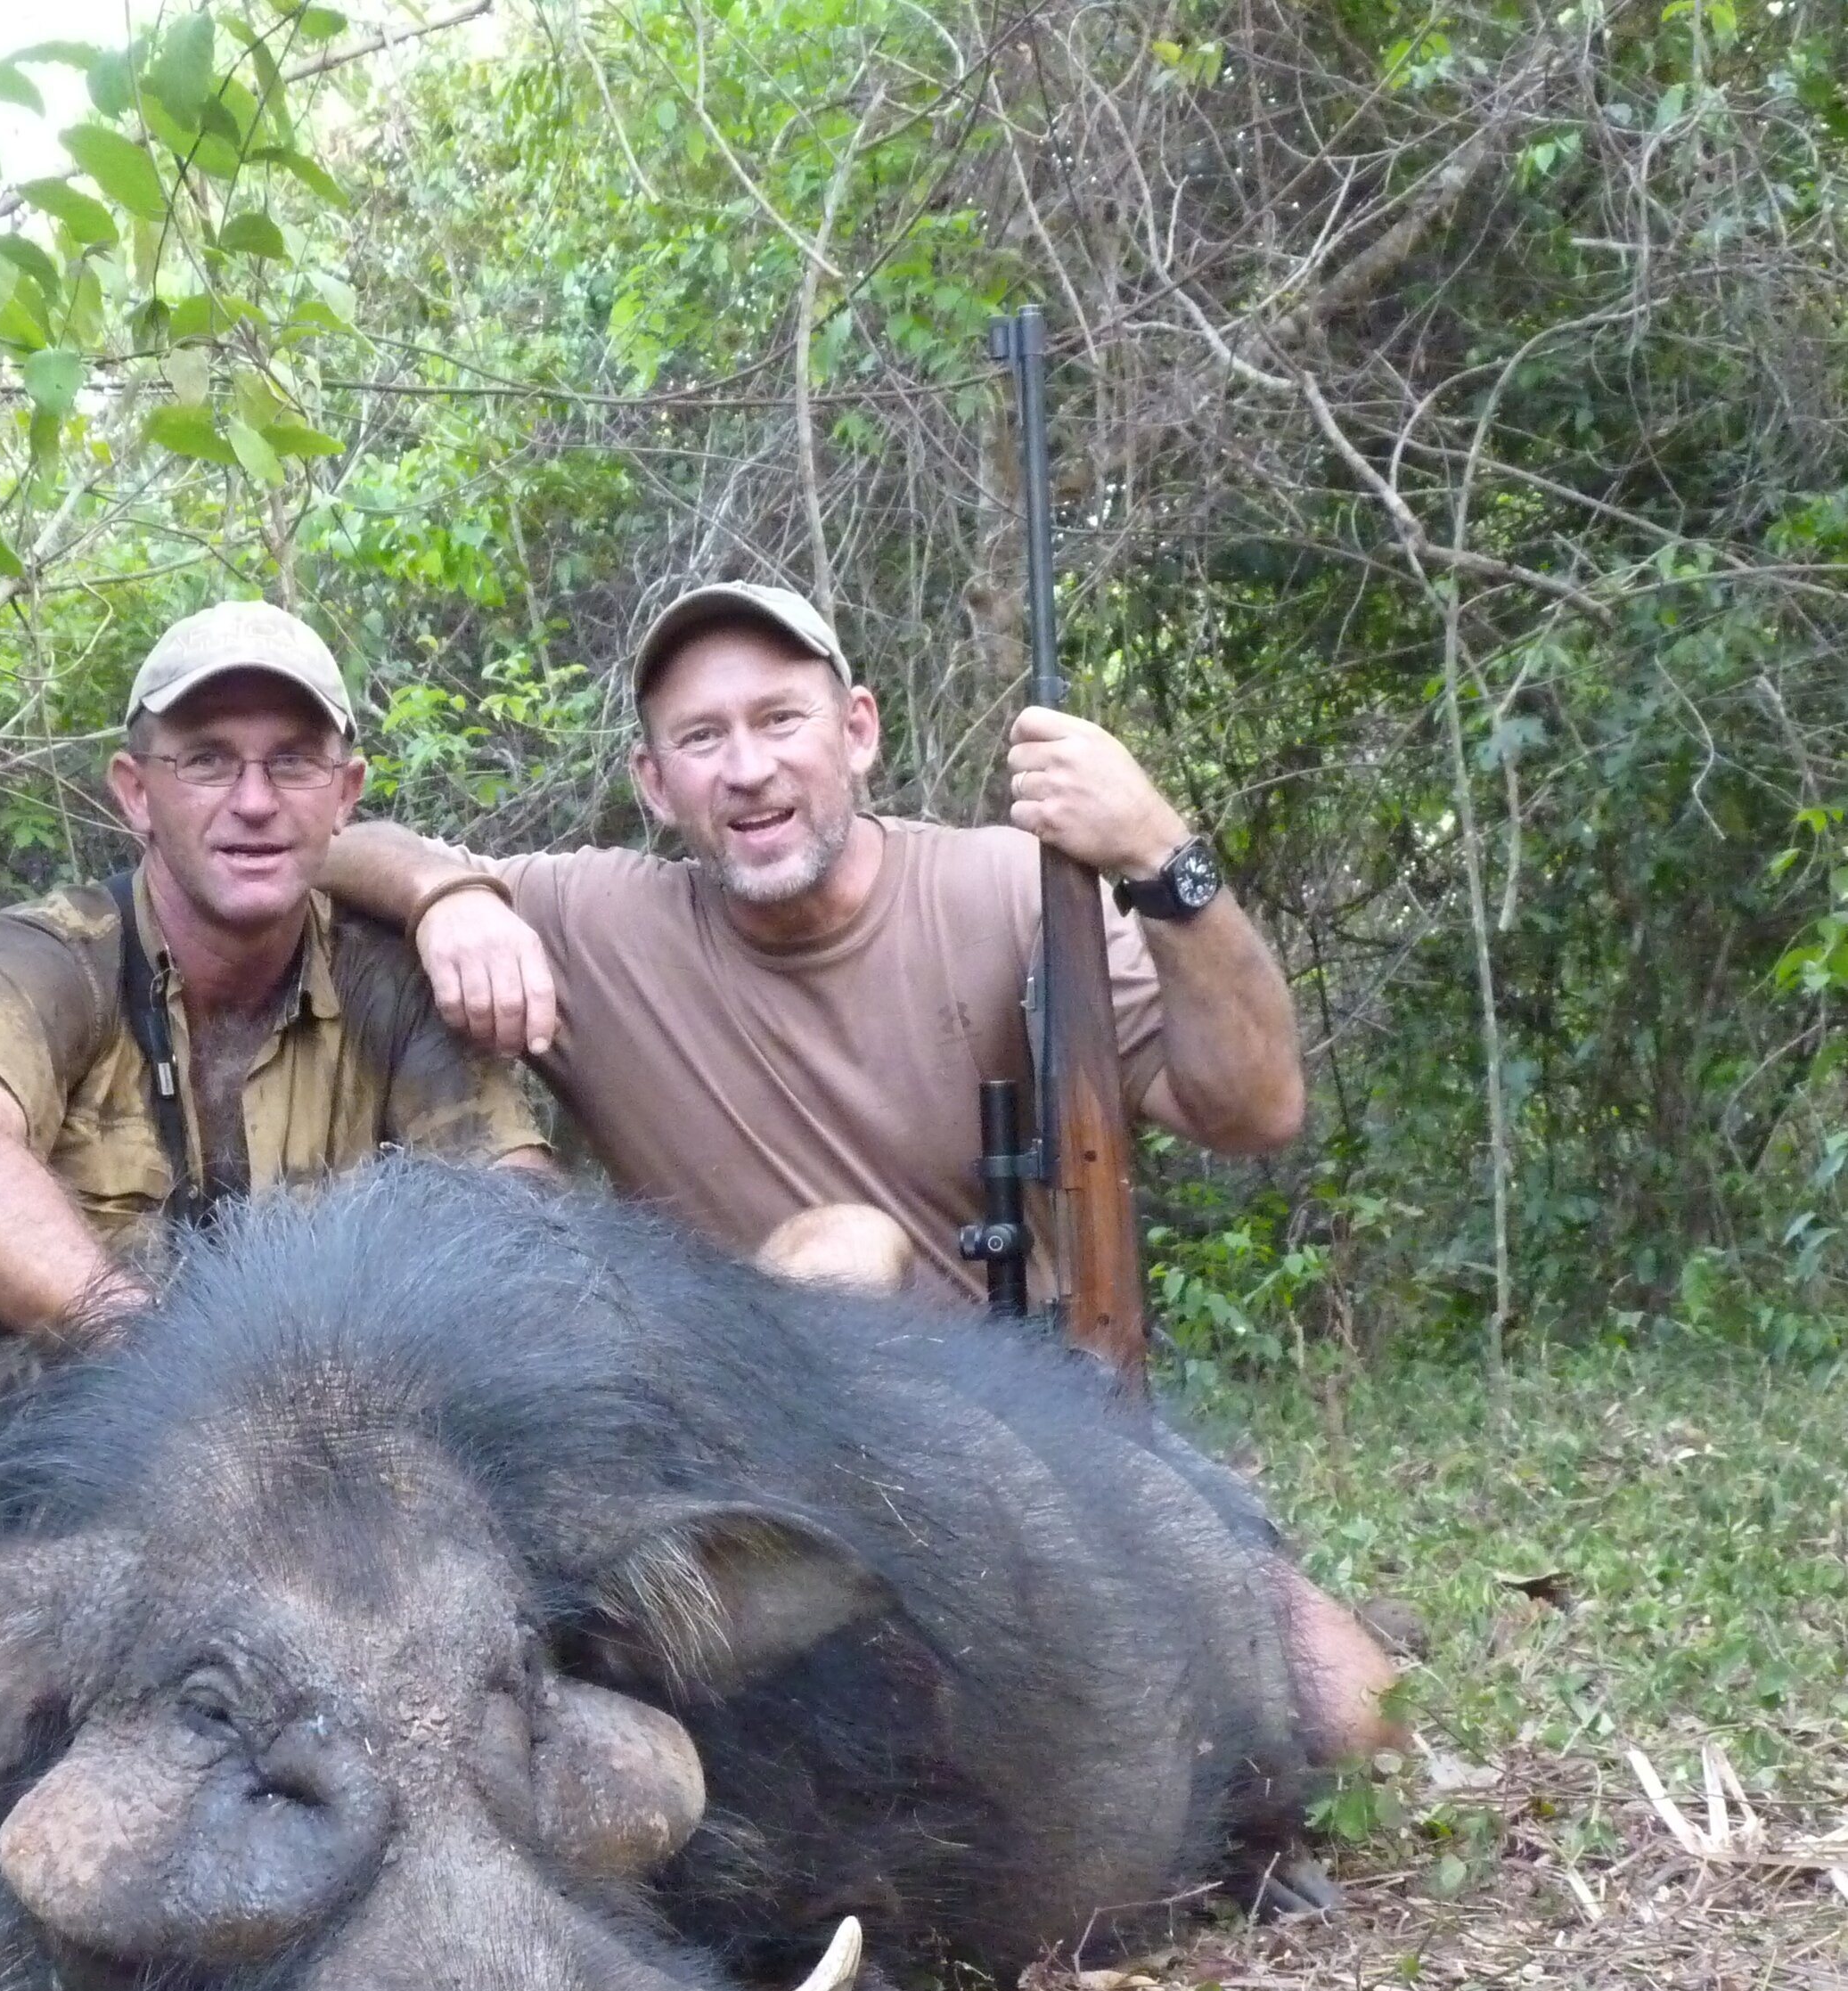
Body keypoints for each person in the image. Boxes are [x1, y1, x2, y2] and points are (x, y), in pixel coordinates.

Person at [322, 580, 1402, 1759]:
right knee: (839, 1253)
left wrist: (1160, 857)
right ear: (654, 784)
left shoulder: (1009, 886)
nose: (746, 769)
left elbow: (1254, 1105)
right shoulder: (593, 914)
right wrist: (448, 897)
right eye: (701, 738)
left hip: (1029, 1427)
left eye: (780, 721)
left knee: (1361, 1722)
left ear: (858, 730)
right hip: (754, 1476)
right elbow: (338, 846)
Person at [0, 600, 548, 1553]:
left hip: (337, 1442)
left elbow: (524, 1226)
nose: (252, 800)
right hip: (89, 1433)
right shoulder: (54, 957)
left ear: (345, 792)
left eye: (291, 761)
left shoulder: (389, 983)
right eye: (205, 759)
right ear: (136, 792)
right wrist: (158, 1357)